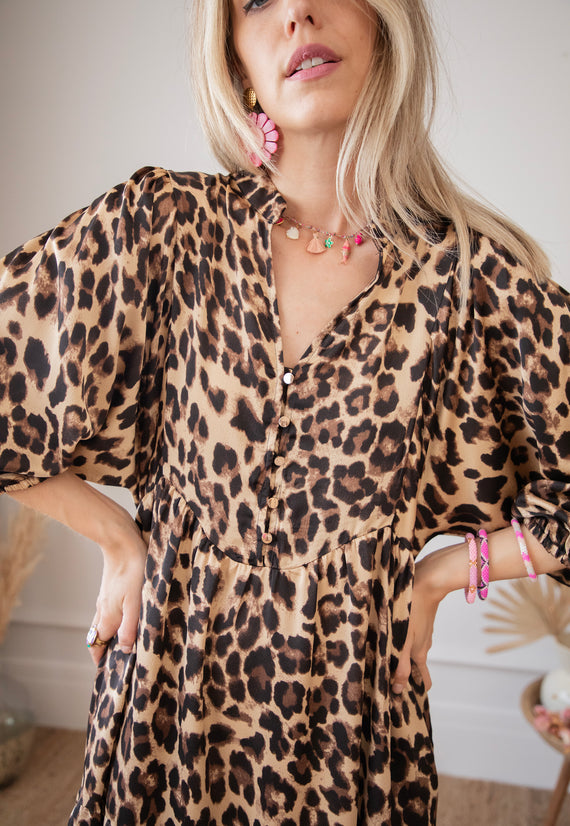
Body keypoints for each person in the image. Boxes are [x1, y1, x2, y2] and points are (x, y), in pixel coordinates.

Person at [1, 0, 568, 823]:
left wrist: (444, 574)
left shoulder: (468, 286)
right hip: (166, 713)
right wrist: (117, 536)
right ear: (235, 60)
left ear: (382, 21)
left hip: (348, 736)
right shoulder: (161, 229)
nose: (297, 11)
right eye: (256, 0)